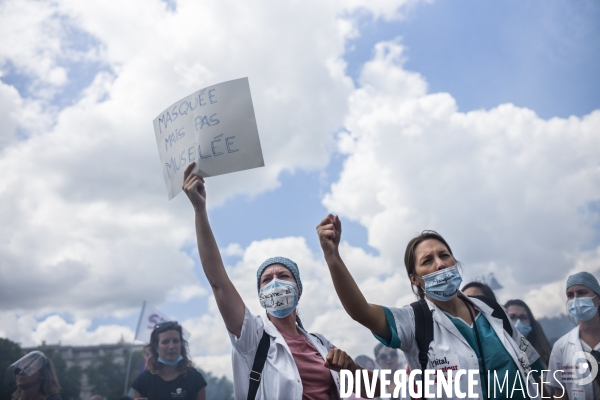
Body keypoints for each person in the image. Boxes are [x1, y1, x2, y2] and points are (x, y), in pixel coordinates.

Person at [182, 162, 378, 400]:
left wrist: (351, 368)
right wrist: (199, 211)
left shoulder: (320, 344)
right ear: (260, 294)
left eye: (283, 276)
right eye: (266, 280)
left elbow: (376, 392)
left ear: (298, 289)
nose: (275, 282)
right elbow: (218, 282)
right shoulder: (252, 337)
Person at [317, 216, 545, 399]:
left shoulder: (493, 311)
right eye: (427, 261)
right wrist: (332, 256)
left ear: (455, 263)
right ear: (414, 279)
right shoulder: (414, 321)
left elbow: (535, 370)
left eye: (445, 255)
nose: (440, 263)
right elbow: (362, 311)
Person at [548, 271, 600, 400]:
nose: (576, 299)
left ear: (598, 298)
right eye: (570, 295)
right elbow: (560, 393)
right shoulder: (561, 346)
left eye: (582, 293)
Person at [132, 321, 207, 400]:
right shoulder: (143, 381)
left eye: (175, 341)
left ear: (181, 345)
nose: (171, 346)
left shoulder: (195, 378)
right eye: (165, 342)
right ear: (156, 347)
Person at [504, 299, 552, 368]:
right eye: (512, 317)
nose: (518, 322)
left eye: (523, 317)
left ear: (530, 322)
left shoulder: (544, 356)